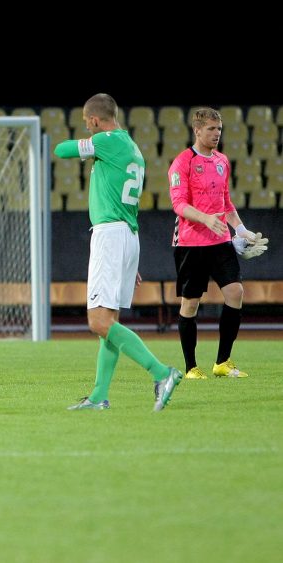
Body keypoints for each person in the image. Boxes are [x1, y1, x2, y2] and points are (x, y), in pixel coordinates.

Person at [54, 93, 183, 412]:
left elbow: (61, 150)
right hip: (127, 234)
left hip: (111, 234)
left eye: (88, 123)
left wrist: (88, 141)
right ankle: (99, 395)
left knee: (98, 321)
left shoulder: (107, 140)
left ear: (95, 120)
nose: (88, 128)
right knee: (108, 321)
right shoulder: (133, 147)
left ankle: (161, 372)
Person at [168, 107, 269, 379]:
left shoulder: (223, 160)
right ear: (197, 130)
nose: (216, 134)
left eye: (219, 129)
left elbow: (225, 201)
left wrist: (242, 229)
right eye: (211, 129)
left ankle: (222, 362)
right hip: (190, 242)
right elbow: (178, 204)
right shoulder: (182, 162)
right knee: (190, 304)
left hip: (220, 239)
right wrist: (206, 219)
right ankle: (191, 367)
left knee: (235, 292)